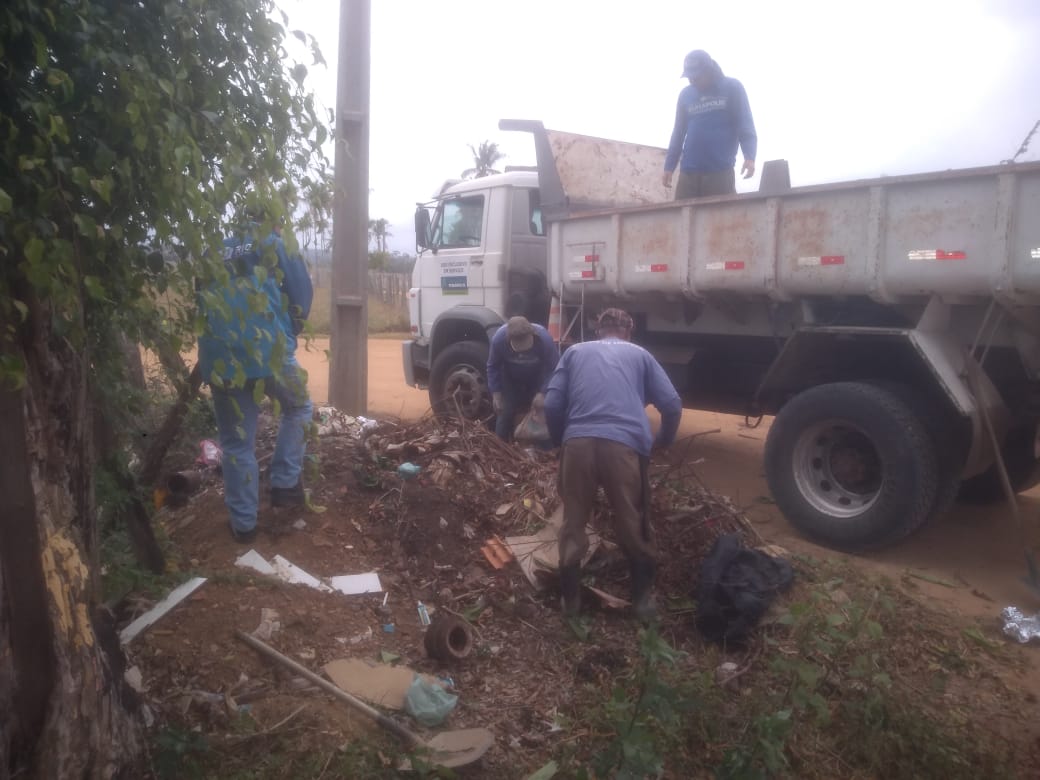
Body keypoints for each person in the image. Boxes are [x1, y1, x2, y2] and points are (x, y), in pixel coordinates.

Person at [543, 308, 682, 623]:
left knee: (573, 523)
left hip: (577, 444)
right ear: (628, 332)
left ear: (597, 331)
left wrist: (560, 441)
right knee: (634, 520)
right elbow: (672, 405)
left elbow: (551, 404)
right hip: (624, 446)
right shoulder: (640, 355)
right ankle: (643, 602)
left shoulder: (575, 352)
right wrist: (664, 441)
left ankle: (571, 603)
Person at [198, 217, 314, 543]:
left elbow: (202, 302)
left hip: (220, 359)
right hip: (269, 354)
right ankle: (285, 484)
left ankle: (244, 525)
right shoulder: (273, 243)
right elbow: (301, 293)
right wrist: (288, 333)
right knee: (300, 408)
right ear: (272, 219)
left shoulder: (212, 250)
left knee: (236, 442)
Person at [662, 49, 758, 199]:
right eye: (689, 77)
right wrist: (669, 166)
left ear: (709, 71)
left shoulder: (732, 87)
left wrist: (750, 156)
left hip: (720, 173)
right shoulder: (685, 94)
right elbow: (678, 132)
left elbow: (744, 123)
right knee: (682, 220)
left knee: (720, 221)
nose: (692, 80)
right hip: (688, 174)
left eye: (696, 76)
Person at [487, 316, 559, 442]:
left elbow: (554, 367)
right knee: (505, 412)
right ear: (509, 339)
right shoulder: (498, 340)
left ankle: (547, 448)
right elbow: (493, 366)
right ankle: (500, 446)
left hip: (537, 377)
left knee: (543, 411)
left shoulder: (544, 339)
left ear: (533, 334)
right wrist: (496, 393)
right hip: (510, 378)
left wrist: (543, 392)